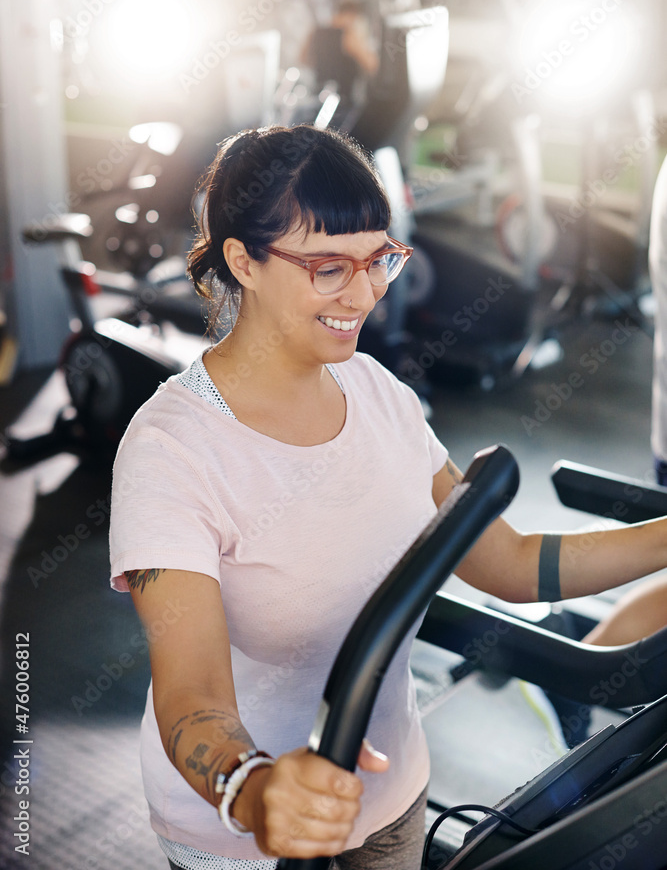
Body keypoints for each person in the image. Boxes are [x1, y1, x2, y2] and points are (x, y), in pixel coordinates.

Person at [109, 124, 667, 870]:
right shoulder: (171, 449)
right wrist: (254, 786)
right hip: (248, 831)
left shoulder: (377, 393)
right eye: (330, 267)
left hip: (390, 798)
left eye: (379, 260)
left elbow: (510, 564)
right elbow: (193, 696)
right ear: (242, 260)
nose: (366, 291)